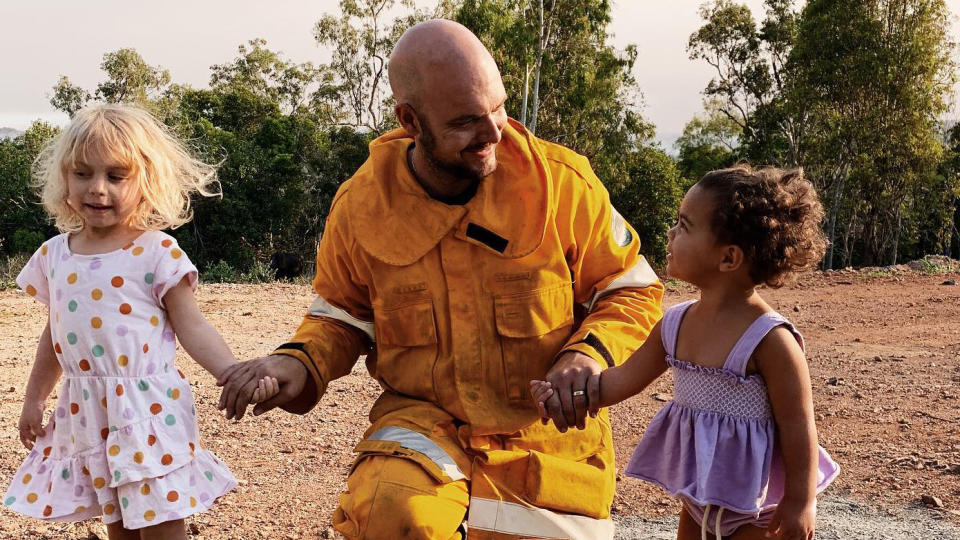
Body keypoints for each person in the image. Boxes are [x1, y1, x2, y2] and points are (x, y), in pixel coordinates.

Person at [216, 19, 663, 540]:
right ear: (410, 119)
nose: (495, 133)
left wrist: (586, 354)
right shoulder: (361, 206)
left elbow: (630, 290)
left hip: (545, 442)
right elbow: (339, 317)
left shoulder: (563, 185)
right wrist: (296, 362)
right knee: (394, 512)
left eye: (498, 108)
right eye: (467, 121)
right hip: (422, 429)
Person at [3, 104, 277, 540]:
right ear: (64, 178)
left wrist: (231, 373)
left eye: (115, 176)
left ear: (145, 181)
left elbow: (193, 327)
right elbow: (55, 335)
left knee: (161, 521)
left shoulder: (156, 252)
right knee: (120, 523)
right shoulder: (56, 254)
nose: (97, 188)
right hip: (88, 409)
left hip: (147, 409)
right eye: (82, 173)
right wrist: (33, 399)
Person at [532, 165, 840, 540]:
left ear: (728, 258)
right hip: (698, 497)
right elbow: (618, 382)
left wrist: (800, 502)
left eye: (685, 225)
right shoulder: (674, 324)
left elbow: (799, 427)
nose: (671, 232)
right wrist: (564, 394)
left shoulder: (770, 340)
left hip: (758, 506)